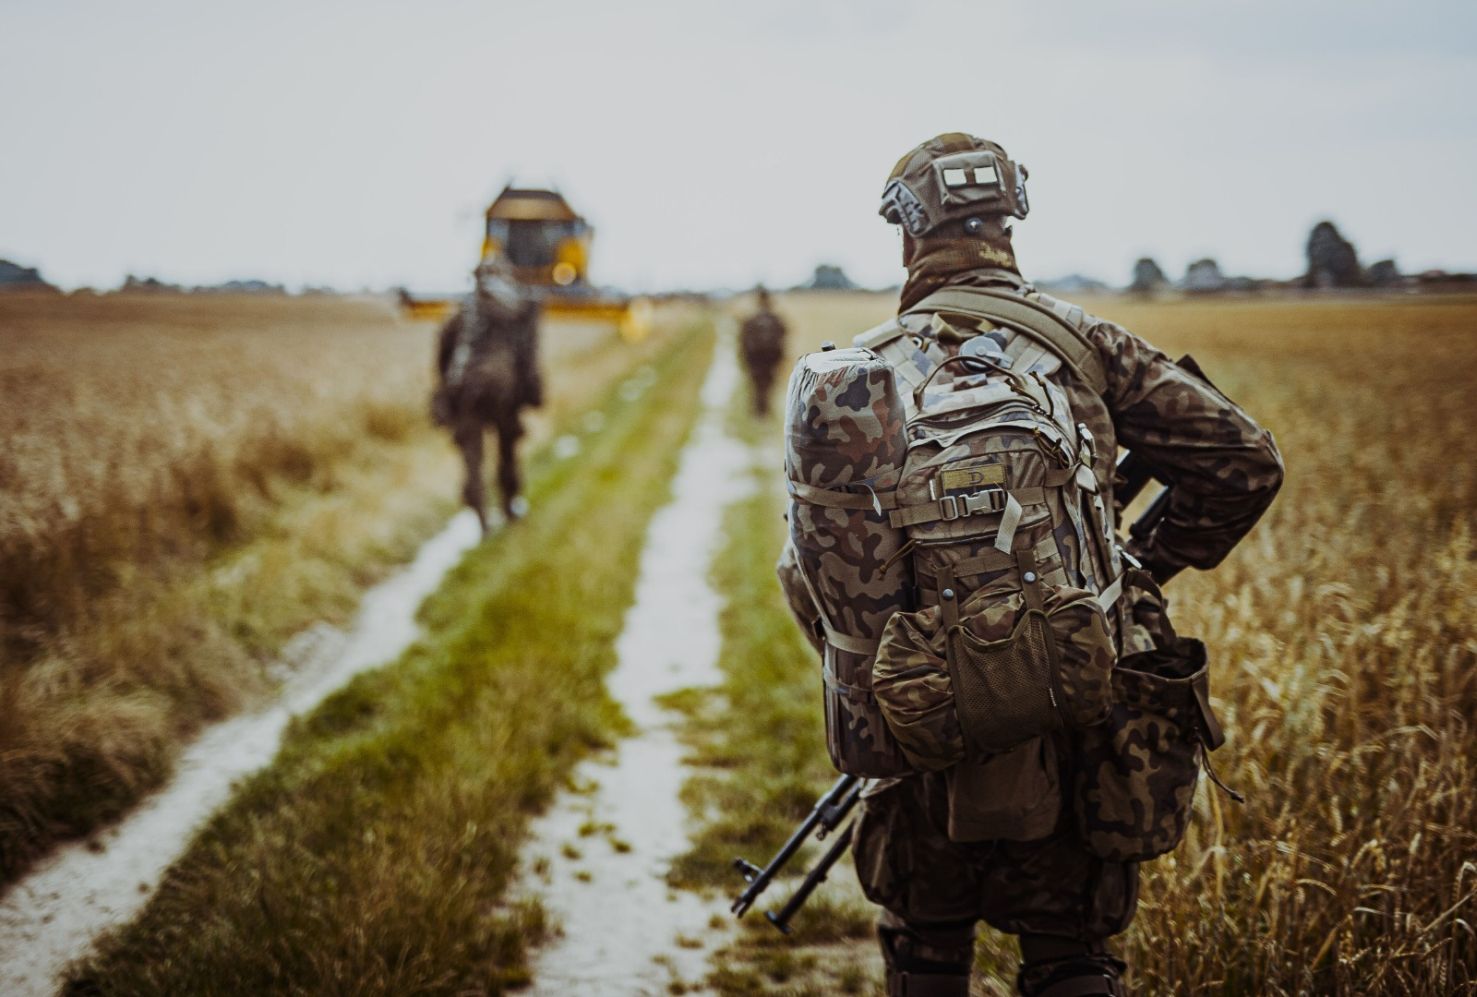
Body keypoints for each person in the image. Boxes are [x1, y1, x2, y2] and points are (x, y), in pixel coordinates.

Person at [806, 133, 1284, 996]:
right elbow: (1244, 462)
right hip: (1082, 703)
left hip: (923, 715)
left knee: (926, 943)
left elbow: (817, 568)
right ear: (1009, 225)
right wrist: (1137, 569)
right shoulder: (1085, 343)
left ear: (907, 235)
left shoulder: (863, 370)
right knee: (1069, 955)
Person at [432, 258, 542, 532]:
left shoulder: (462, 314)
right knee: (506, 450)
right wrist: (532, 392)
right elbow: (527, 359)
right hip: (505, 391)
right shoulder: (518, 311)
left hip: (467, 390)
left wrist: (445, 395)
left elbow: (443, 358)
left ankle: (481, 518)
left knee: (472, 457)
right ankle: (509, 505)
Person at [739, 285, 787, 416]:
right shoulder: (776, 319)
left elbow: (742, 340)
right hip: (771, 357)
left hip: (755, 358)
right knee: (768, 383)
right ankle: (764, 411)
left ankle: (759, 411)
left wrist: (744, 358)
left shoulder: (750, 320)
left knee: (757, 384)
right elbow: (783, 337)